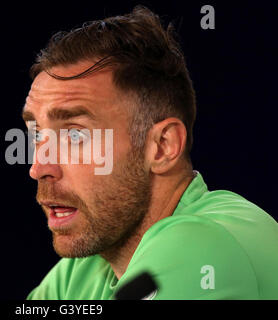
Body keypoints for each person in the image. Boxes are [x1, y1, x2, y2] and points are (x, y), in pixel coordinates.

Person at [21, 6, 278, 299]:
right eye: (38, 135)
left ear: (162, 146)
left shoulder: (206, 244)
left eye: (75, 135)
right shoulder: (81, 272)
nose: (39, 166)